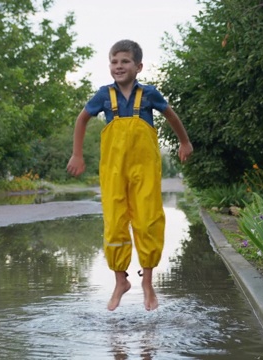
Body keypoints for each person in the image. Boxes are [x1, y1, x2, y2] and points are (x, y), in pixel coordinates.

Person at [66, 39, 193, 311]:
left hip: (144, 169)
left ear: (138, 66)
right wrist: (77, 154)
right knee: (115, 222)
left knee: (147, 221)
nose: (119, 66)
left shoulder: (148, 95)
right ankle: (120, 281)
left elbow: (171, 116)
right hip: (113, 171)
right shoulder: (104, 95)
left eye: (125, 62)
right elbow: (82, 120)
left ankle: (147, 282)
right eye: (114, 61)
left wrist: (184, 142)